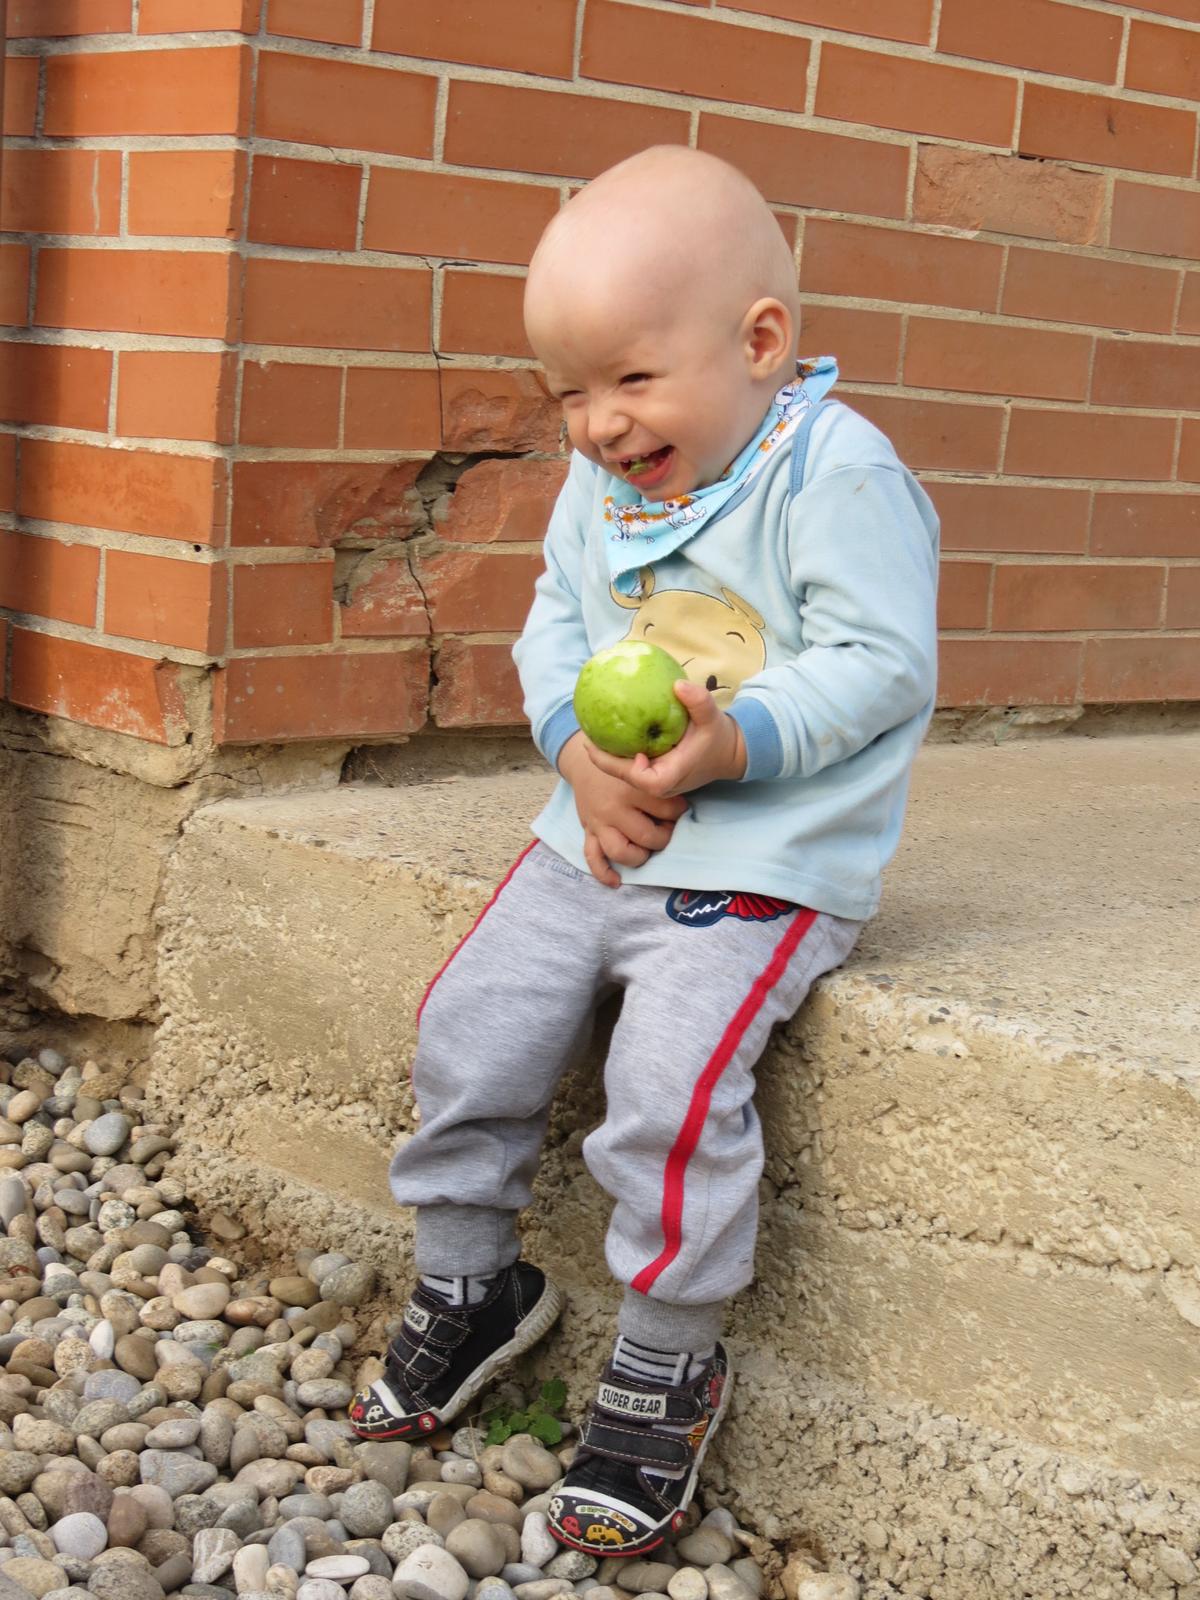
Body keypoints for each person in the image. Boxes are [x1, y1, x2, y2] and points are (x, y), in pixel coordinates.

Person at [349, 145, 940, 1558]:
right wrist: (573, 753)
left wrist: (736, 745)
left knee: (666, 1093)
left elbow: (882, 660)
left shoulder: (836, 474)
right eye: (567, 391)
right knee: (471, 1026)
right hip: (599, 831)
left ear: (760, 342)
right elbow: (557, 624)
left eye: (630, 378)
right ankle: (473, 1283)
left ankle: (668, 1358)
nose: (599, 424)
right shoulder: (603, 482)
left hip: (760, 859)